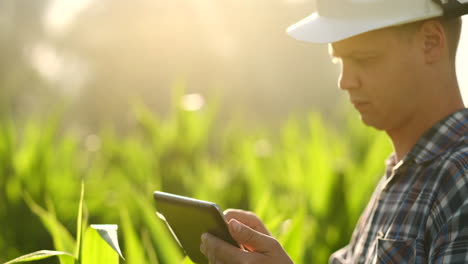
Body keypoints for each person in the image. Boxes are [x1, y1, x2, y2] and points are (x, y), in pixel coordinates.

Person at [200, 0, 468, 263]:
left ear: (431, 42)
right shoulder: (403, 174)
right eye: (339, 61)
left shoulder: (461, 178)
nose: (345, 80)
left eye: (365, 59)